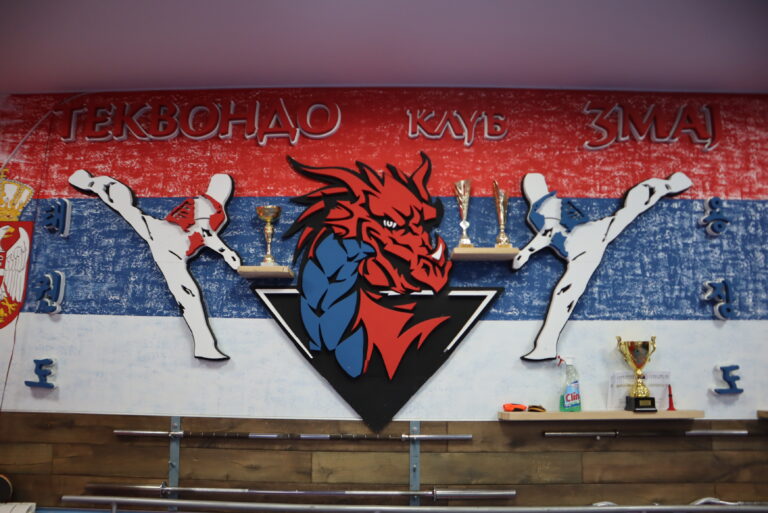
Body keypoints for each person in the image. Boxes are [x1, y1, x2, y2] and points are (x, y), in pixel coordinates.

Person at [513, 171, 692, 361]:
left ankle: (667, 186)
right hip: (582, 249)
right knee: (565, 295)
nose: (532, 189)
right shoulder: (540, 207)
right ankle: (546, 346)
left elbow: (548, 232)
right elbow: (549, 232)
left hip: (589, 237)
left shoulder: (548, 204)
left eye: (535, 184)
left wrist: (527, 252)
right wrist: (527, 252)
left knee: (629, 211)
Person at [69, 169, 241, 360]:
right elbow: (204, 232)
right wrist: (226, 252)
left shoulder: (211, 206)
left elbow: (203, 232)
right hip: (167, 240)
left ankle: (203, 346)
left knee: (129, 211)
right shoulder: (205, 204)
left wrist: (225, 251)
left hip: (168, 244)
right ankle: (95, 184)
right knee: (188, 295)